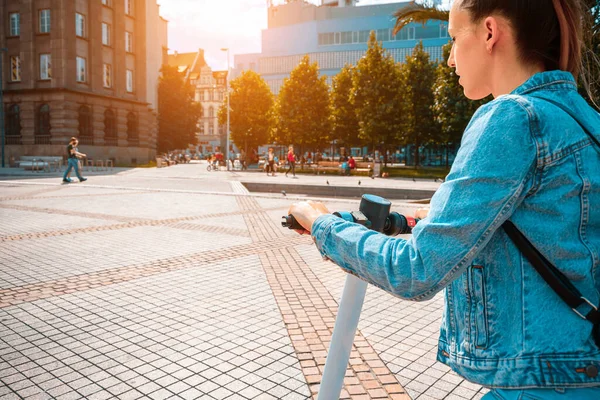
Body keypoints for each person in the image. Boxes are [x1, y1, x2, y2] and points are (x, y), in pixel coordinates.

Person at [289, 0, 600, 398]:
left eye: (453, 38)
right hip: (578, 371)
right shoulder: (582, 118)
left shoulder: (512, 118)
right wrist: (418, 220)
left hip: (533, 383)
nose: (450, 58)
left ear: (489, 33)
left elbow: (415, 271)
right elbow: (546, 226)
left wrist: (320, 223)